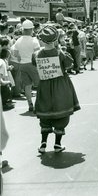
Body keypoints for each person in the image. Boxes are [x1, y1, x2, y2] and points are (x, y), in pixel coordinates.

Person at [33, 25, 80, 153]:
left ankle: (43, 144)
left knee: (45, 111)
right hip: (61, 85)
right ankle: (57, 144)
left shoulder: (36, 54)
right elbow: (69, 64)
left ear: (41, 40)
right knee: (61, 112)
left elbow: (34, 64)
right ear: (55, 39)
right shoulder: (60, 53)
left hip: (44, 86)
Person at [12, 20, 40, 111]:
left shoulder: (18, 40)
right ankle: (39, 104)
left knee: (27, 86)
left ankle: (30, 104)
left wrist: (20, 57)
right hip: (32, 64)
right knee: (39, 85)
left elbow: (15, 53)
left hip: (22, 65)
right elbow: (38, 53)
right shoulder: (34, 40)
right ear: (31, 29)